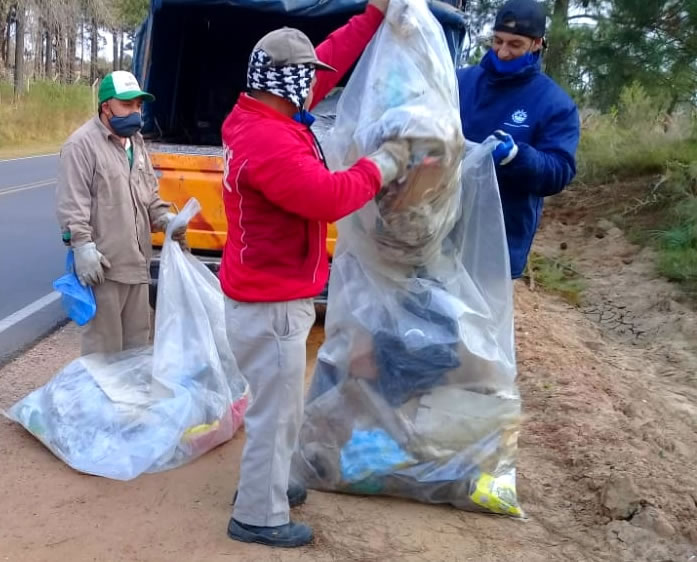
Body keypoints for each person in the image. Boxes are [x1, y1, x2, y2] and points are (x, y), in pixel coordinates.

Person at [220, 0, 410, 548]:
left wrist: (371, 15)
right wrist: (383, 165)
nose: (315, 87)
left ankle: (267, 483)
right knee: (276, 416)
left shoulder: (257, 113)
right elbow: (328, 197)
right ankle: (258, 515)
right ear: (288, 84)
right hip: (272, 304)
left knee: (277, 407)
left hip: (261, 293)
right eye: (307, 80)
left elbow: (324, 60)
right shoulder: (270, 142)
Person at [56, 71, 186, 355]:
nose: (135, 112)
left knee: (136, 354)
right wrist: (82, 247)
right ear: (106, 107)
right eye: (127, 105)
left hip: (138, 268)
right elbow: (73, 204)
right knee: (104, 357)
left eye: (138, 105)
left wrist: (164, 219)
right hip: (104, 272)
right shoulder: (81, 145)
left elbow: (148, 195)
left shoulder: (136, 143)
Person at [457, 0, 580, 279]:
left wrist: (517, 157)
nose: (502, 52)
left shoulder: (555, 104)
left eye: (515, 44)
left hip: (498, 238)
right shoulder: (460, 82)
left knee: (479, 307)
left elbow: (559, 171)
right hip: (438, 228)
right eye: (497, 41)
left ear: (537, 43)